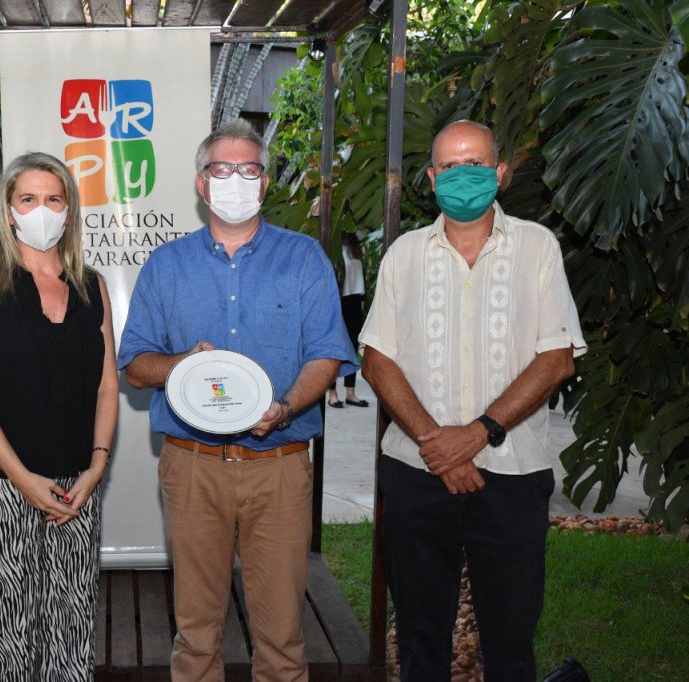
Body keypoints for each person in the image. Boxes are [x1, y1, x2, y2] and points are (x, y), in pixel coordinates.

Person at [118, 119, 355, 681]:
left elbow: (326, 353)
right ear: (201, 184)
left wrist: (288, 407)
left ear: (264, 183)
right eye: (221, 169)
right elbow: (134, 365)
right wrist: (182, 366)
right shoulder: (167, 265)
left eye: (248, 169)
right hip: (193, 467)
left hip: (279, 469)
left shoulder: (304, 260)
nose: (235, 180)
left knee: (281, 638)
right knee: (196, 635)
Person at [359, 120, 586, 681]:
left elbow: (557, 357)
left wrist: (476, 434)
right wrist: (438, 445)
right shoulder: (404, 256)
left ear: (500, 174)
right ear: (432, 177)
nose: (466, 177)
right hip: (416, 472)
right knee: (418, 636)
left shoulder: (537, 248)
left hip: (512, 474)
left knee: (510, 639)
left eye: (478, 165)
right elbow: (377, 358)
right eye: (452, 166)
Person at [0, 152, 118, 680]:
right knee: (5, 638)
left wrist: (96, 468)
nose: (41, 209)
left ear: (69, 209)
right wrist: (23, 479)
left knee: (71, 635)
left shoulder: (93, 287)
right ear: (9, 210)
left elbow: (108, 386)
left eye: (53, 198)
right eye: (28, 199)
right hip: (2, 488)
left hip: (76, 491)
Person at [327, 231, 368, 408]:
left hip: (355, 301)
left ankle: (350, 393)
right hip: (339, 302)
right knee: (335, 349)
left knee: (352, 347)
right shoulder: (332, 247)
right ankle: (332, 393)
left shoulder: (355, 245)